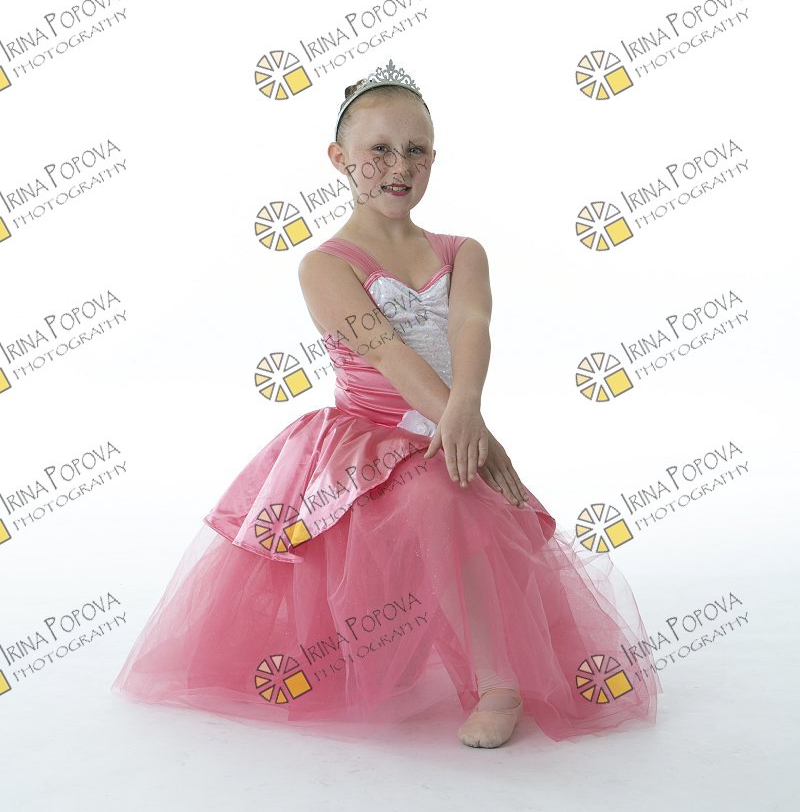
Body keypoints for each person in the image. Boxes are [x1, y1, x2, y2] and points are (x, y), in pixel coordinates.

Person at [111, 60, 662, 748]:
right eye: (379, 149)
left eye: (416, 150)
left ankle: (498, 678)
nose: (399, 166)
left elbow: (471, 326)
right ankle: (470, 676)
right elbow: (386, 354)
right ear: (340, 158)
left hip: (450, 421)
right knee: (442, 494)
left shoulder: (462, 251)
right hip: (363, 443)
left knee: (470, 498)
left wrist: (466, 412)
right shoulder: (326, 264)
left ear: (434, 156)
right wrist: (466, 427)